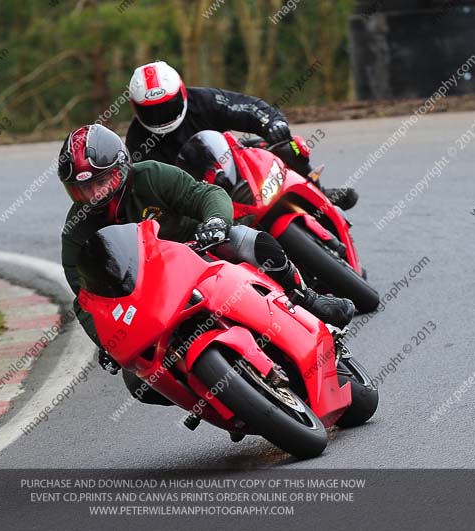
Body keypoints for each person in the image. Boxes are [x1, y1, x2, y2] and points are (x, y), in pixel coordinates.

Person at [60, 124, 355, 403]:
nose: (94, 194)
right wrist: (107, 342)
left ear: (121, 168)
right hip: (149, 297)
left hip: (199, 248)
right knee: (138, 380)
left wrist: (215, 221)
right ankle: (216, 396)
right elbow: (86, 299)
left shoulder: (150, 175)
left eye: (101, 182)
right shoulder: (76, 230)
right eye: (82, 189)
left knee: (248, 239)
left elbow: (204, 194)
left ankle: (308, 298)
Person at [126, 60, 358, 210]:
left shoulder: (204, 100)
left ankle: (318, 192)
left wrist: (271, 122)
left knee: (292, 146)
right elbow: (149, 186)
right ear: (135, 107)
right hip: (198, 197)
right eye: (151, 111)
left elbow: (245, 107)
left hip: (234, 163)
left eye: (167, 106)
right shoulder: (137, 139)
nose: (161, 115)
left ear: (182, 93)